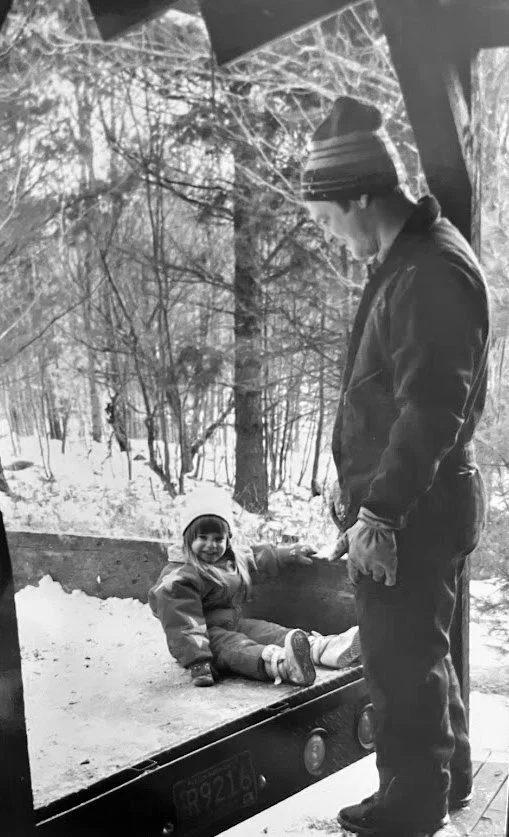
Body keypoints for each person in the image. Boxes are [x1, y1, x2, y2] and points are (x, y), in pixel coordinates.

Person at [301, 97, 489, 837]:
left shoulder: (428, 270)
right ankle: (447, 780)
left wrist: (377, 512)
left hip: (412, 506)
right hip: (426, 497)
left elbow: (431, 409)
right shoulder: (413, 257)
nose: (324, 232)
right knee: (424, 650)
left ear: (357, 196)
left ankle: (407, 811)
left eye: (324, 216)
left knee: (401, 667)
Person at [149, 487, 361, 687]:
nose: (211, 545)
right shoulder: (179, 578)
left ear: (228, 539)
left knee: (269, 631)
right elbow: (182, 623)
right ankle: (281, 665)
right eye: (202, 538)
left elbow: (256, 559)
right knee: (236, 647)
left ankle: (321, 649)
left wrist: (285, 555)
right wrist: (198, 661)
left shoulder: (230, 559)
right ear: (187, 538)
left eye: (218, 538)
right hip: (205, 637)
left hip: (233, 622)